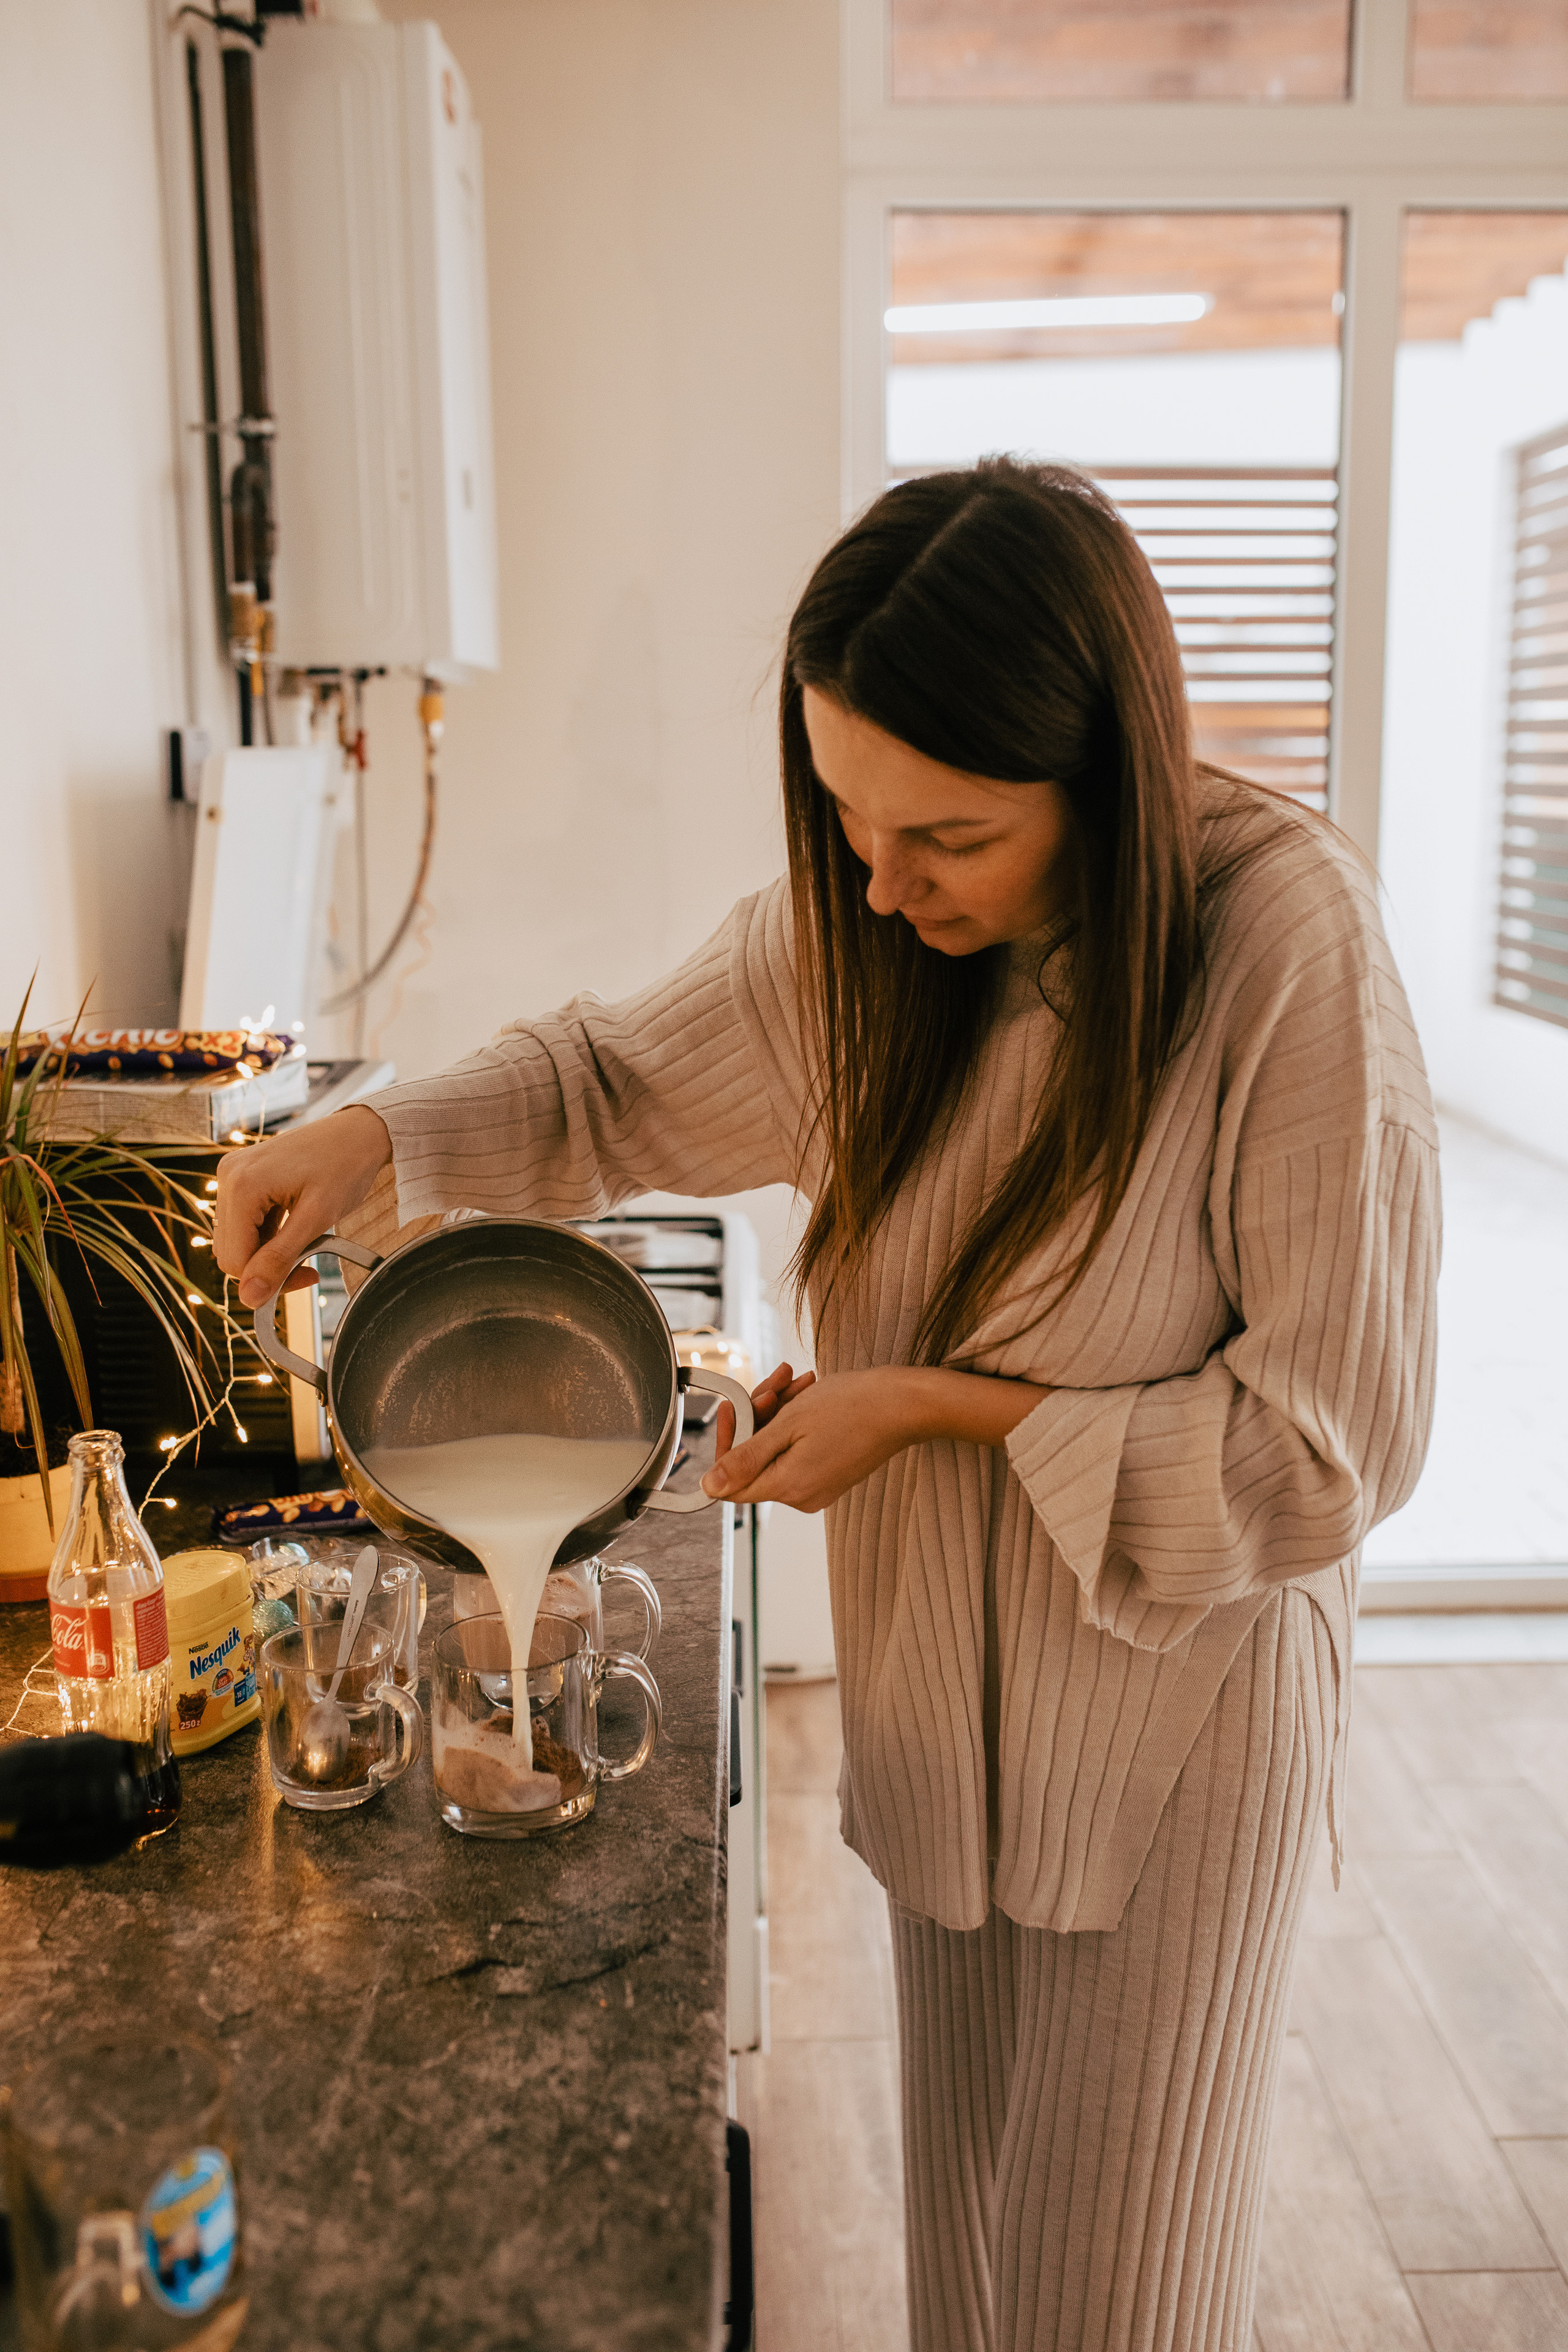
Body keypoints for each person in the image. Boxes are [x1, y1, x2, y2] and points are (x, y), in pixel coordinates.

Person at [216, 458, 1439, 2352]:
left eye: (945, 834)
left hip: (1171, 1744)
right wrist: (373, 1136)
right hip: (944, 1706)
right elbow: (610, 1081)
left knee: (1112, 2307)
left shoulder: (1283, 948)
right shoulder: (873, 932)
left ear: (1107, 778)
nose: (879, 883)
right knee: (969, 2286)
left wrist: (937, 1410)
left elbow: (1325, 1452)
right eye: (847, 817)